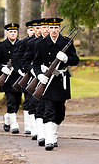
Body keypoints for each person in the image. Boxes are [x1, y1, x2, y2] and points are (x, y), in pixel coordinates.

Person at [33, 18, 79, 151]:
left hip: (61, 80)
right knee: (48, 110)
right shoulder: (41, 44)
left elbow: (76, 60)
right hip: (47, 81)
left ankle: (54, 133)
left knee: (60, 112)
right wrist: (39, 74)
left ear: (59, 28)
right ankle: (49, 139)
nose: (53, 31)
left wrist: (67, 59)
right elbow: (35, 63)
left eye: (56, 28)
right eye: (51, 28)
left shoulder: (66, 42)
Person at [22, 18, 48, 145]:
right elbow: (24, 60)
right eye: (36, 28)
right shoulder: (31, 43)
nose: (38, 30)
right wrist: (33, 71)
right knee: (35, 104)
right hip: (35, 76)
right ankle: (37, 130)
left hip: (49, 77)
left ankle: (49, 131)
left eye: (40, 28)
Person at [0, 23, 21, 134]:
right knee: (11, 101)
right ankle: (14, 124)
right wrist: (2, 68)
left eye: (14, 32)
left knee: (17, 102)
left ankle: (7, 119)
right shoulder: (1, 46)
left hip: (17, 77)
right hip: (7, 78)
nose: (13, 34)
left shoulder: (20, 45)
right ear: (7, 33)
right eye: (11, 32)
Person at [11, 20, 37, 135]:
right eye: (31, 29)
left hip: (38, 74)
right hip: (26, 74)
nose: (33, 31)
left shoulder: (39, 42)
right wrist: (21, 71)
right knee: (28, 100)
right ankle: (29, 126)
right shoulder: (23, 43)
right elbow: (16, 59)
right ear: (27, 31)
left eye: (35, 29)